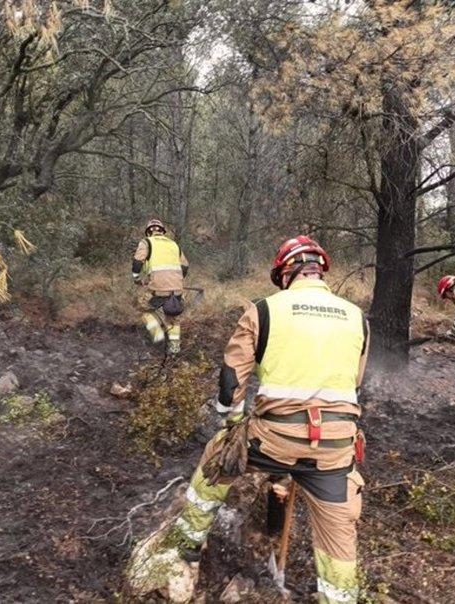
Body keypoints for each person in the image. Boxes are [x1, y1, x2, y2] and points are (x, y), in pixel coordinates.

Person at [127, 236, 369, 603]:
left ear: (285, 274)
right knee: (339, 540)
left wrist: (232, 423)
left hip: (274, 438)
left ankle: (187, 546)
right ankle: (341, 597)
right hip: (335, 448)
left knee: (216, 458)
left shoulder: (264, 310)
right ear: (321, 270)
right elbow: (354, 383)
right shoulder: (357, 318)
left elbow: (230, 380)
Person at [131, 218, 189, 355]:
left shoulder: (146, 242)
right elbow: (185, 266)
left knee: (144, 308)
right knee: (173, 316)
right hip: (177, 288)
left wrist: (136, 279)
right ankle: (174, 347)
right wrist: (178, 281)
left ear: (149, 232)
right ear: (162, 231)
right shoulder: (174, 244)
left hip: (158, 288)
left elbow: (137, 262)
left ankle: (158, 335)